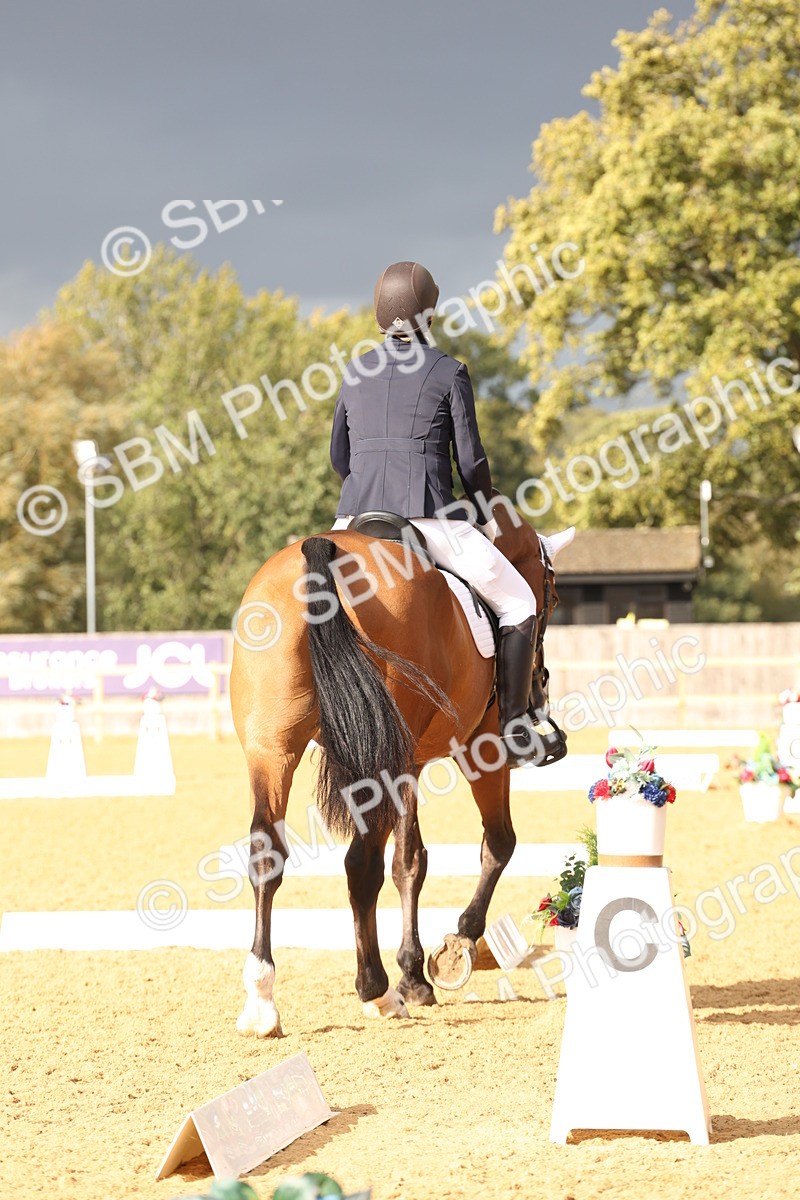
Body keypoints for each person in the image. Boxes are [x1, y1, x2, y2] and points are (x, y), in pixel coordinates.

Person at [330, 260, 539, 766]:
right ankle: (514, 728)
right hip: (429, 520)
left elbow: (339, 457)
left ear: (381, 314)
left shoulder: (355, 372)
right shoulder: (448, 371)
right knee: (520, 603)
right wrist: (486, 512)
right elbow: (471, 461)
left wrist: (366, 492)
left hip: (351, 522)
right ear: (430, 313)